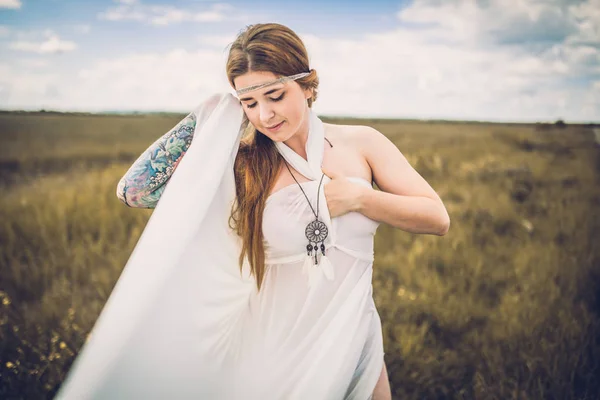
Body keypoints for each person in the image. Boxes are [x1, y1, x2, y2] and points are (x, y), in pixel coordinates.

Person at [55, 23, 449, 400]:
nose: (264, 116)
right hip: (272, 352)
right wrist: (201, 120)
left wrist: (361, 199)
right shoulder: (242, 165)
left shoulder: (363, 143)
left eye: (275, 96)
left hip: (352, 336)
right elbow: (134, 192)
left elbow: (437, 218)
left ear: (308, 86)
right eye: (249, 103)